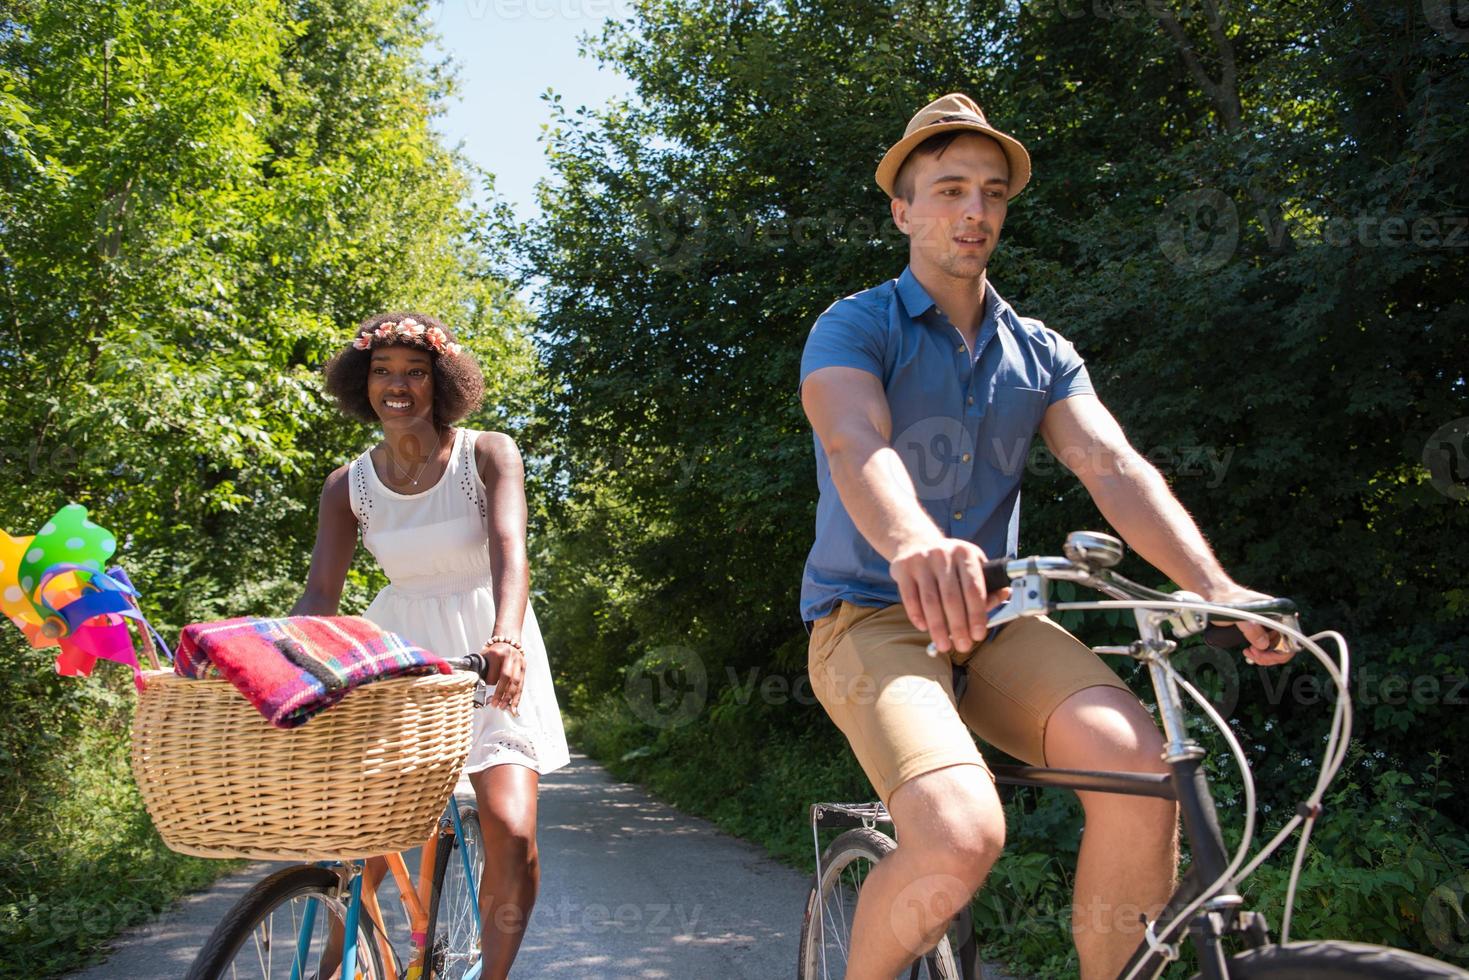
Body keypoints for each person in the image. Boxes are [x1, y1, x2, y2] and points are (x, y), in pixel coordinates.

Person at [798, 94, 1292, 980]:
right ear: (902, 210)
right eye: (948, 189)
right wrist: (912, 538)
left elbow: (1113, 468)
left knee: (1145, 774)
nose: (974, 210)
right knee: (959, 834)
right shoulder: (855, 324)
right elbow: (853, 440)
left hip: (996, 621)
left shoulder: (1040, 351)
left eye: (990, 192)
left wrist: (1219, 588)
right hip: (869, 616)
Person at [293, 312, 569, 979]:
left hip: (488, 642)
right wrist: (271, 660)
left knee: (512, 829)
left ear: (440, 382)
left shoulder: (486, 453)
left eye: (414, 372)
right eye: (383, 371)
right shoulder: (347, 485)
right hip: (401, 651)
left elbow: (510, 548)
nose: (398, 386)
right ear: (361, 383)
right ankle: (337, 964)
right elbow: (318, 594)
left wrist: (506, 637)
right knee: (363, 836)